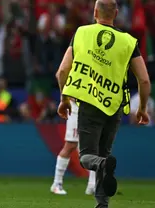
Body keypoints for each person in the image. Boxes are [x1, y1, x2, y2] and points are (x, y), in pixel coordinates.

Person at [56, 0, 150, 207]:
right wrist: (142, 109)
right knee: (103, 154)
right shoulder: (128, 41)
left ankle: (103, 166)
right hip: (114, 106)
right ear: (116, 13)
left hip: (89, 104)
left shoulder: (82, 33)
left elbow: (62, 71)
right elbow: (144, 80)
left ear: (95, 12)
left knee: (88, 157)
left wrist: (64, 100)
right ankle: (102, 204)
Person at [51, 98, 96, 195]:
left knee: (93, 146)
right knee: (71, 145)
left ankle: (92, 185)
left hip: (92, 110)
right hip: (76, 110)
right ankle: (57, 184)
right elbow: (69, 88)